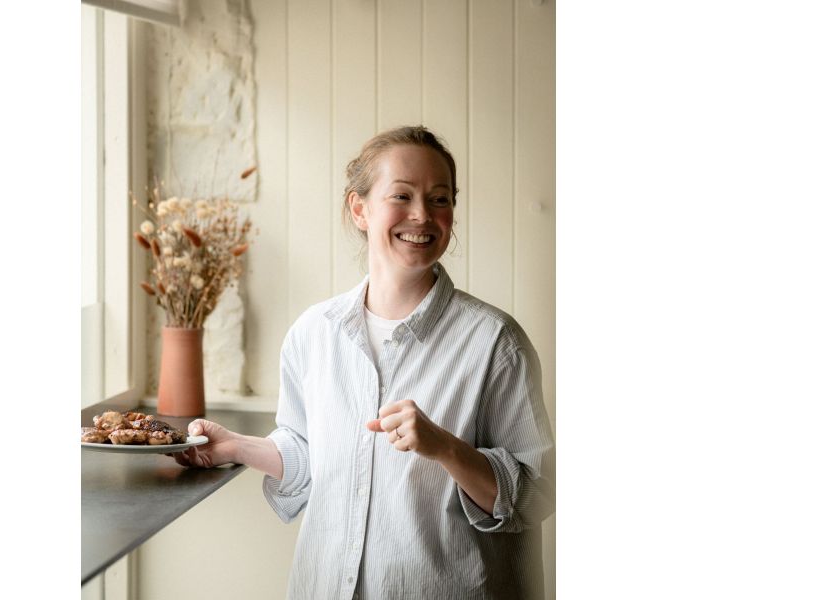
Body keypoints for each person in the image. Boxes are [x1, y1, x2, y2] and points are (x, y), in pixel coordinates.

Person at [168, 126, 555, 600]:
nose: (422, 215)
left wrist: (446, 449)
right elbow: (311, 458)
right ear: (360, 209)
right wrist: (236, 447)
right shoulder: (314, 332)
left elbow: (536, 495)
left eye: (440, 199)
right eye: (402, 195)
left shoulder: (496, 342)